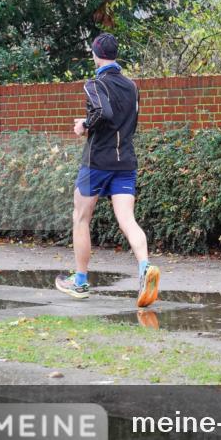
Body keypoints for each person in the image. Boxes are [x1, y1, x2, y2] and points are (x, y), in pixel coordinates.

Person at [55, 33, 160, 307]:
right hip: (125, 160)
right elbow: (124, 119)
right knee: (127, 220)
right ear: (115, 55)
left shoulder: (94, 83)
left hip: (97, 162)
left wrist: (84, 126)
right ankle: (145, 267)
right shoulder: (132, 86)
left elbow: (103, 113)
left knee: (81, 217)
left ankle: (80, 282)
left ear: (95, 54)